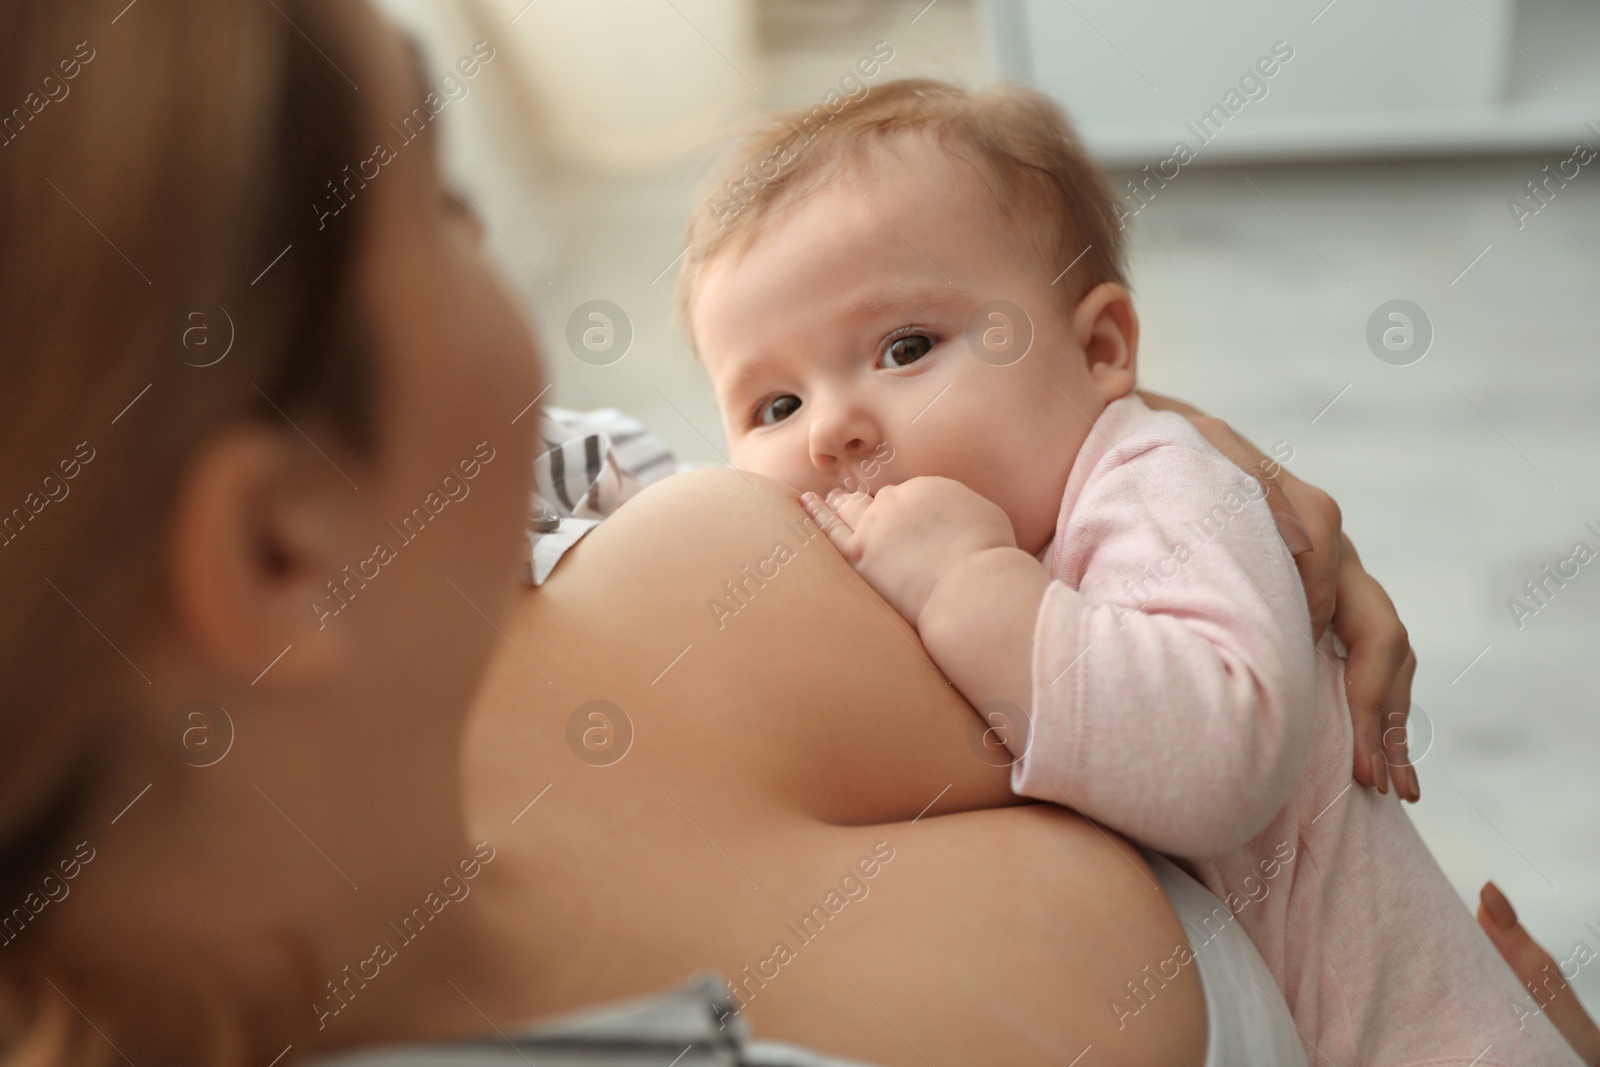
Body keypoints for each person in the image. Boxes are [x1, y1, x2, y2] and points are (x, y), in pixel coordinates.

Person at [0, 3, 1591, 1066]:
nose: (821, 434)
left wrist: (1150, 464)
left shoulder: (484, 517)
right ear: (274, 551)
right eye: (448, 211)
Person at [678, 79, 1583, 1064]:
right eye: (771, 407)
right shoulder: (937, 538)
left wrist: (963, 585)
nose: (829, 430)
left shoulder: (1160, 486)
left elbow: (1219, 759)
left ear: (1101, 346)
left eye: (905, 346)